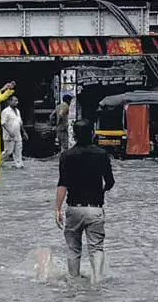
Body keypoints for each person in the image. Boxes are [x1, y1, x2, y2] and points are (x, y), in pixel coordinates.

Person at [55, 119, 114, 284]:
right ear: (92, 133)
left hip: (74, 208)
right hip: (95, 208)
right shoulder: (102, 154)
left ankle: (73, 283)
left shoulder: (66, 156)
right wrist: (101, 191)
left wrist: (57, 209)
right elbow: (110, 182)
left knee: (73, 249)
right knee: (96, 248)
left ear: (74, 135)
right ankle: (97, 282)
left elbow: (62, 184)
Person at [1, 96, 28, 169]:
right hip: (9, 136)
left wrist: (24, 132)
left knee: (18, 151)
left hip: (18, 135)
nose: (17, 102)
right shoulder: (5, 111)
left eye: (17, 101)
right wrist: (10, 132)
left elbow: (20, 123)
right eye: (15, 101)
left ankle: (19, 165)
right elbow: (3, 123)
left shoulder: (18, 111)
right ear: (9, 102)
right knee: (8, 152)